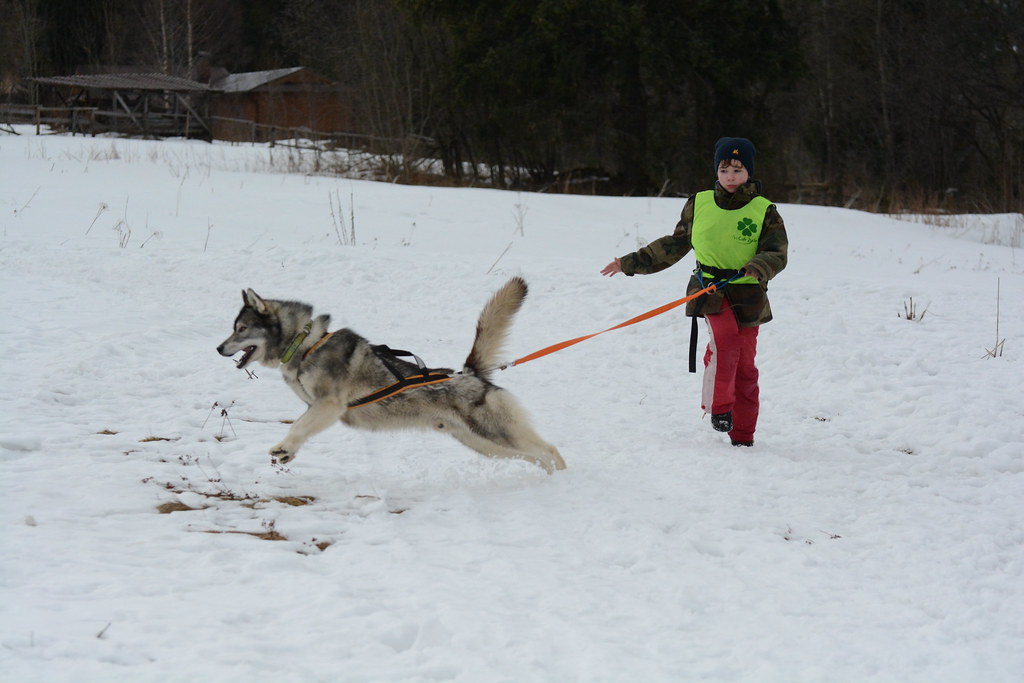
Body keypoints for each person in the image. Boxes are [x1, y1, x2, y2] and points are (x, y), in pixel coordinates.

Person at [601, 137, 788, 447]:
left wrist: (758, 265)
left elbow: (777, 251)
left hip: (749, 295)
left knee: (745, 366)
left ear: (749, 173)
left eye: (738, 170)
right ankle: (720, 408)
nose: (730, 176)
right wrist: (630, 263)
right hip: (710, 289)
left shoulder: (764, 210)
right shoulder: (698, 203)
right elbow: (673, 245)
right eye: (724, 169)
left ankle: (743, 435)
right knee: (726, 341)